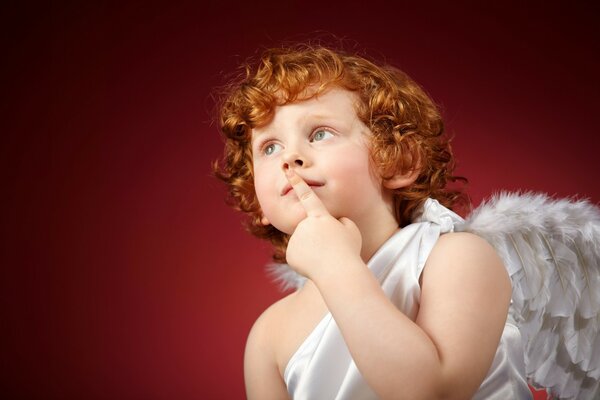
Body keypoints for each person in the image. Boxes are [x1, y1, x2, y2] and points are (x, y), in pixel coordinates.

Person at [214, 44, 532, 399]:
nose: (290, 157)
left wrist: (338, 267)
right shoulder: (269, 334)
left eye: (319, 133)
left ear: (397, 161)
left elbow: (432, 392)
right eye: (269, 147)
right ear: (258, 199)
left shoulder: (458, 259)